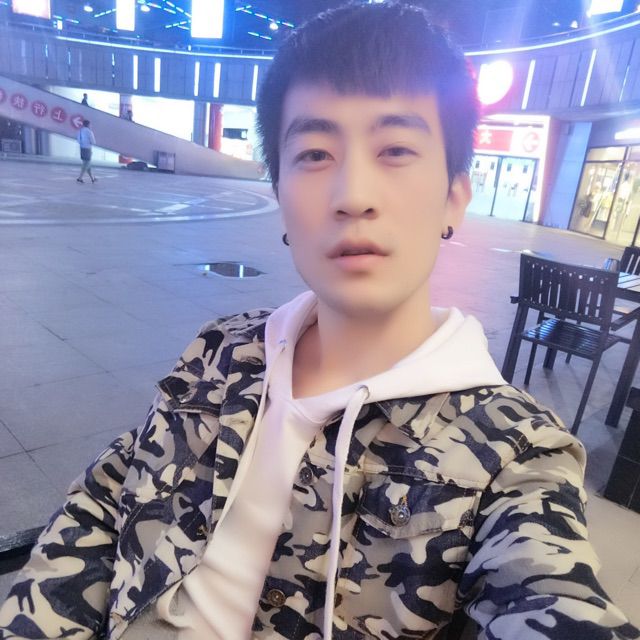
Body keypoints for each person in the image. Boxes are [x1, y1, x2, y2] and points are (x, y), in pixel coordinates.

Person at [1, 3, 638, 639]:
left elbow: (550, 596)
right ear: (279, 195)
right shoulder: (222, 350)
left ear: (453, 198)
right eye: (314, 153)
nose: (353, 195)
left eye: (395, 149)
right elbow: (108, 496)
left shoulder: (515, 455)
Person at [76, 119, 97, 184]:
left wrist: (82, 143)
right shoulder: (89, 132)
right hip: (88, 149)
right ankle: (80, 178)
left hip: (82, 148)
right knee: (86, 164)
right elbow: (93, 142)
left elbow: (78, 140)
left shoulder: (80, 131)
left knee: (87, 163)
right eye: (90, 124)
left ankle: (92, 178)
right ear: (88, 124)